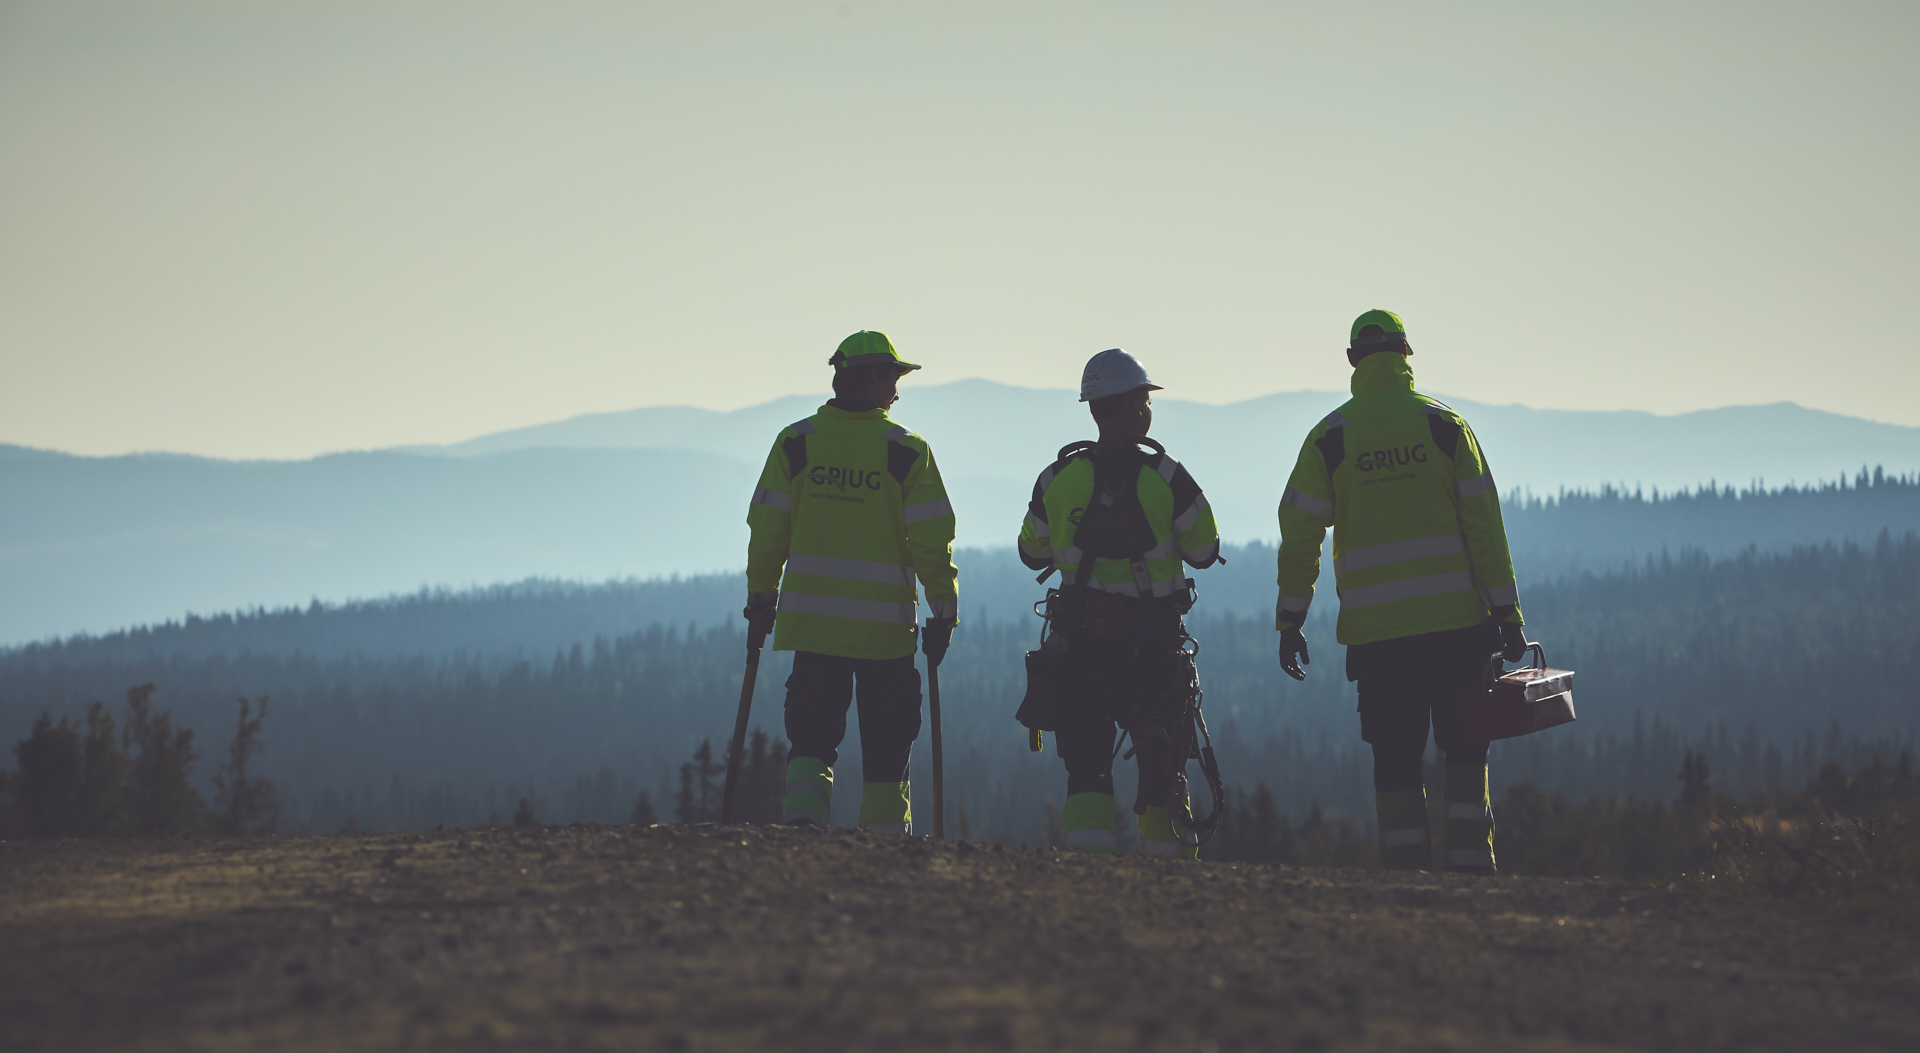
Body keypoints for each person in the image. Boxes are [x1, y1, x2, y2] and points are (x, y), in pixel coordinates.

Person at [1274, 310, 1530, 873]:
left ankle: (1404, 881)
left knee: (1394, 761)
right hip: (1460, 632)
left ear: (1351, 362)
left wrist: (1290, 619)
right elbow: (1485, 527)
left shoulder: (1330, 438)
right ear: (1406, 355)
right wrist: (1508, 614)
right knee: (1465, 753)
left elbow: (1299, 533)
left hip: (1379, 642)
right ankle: (1470, 874)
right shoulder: (1446, 428)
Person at [744, 331, 959, 834]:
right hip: (885, 635)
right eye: (893, 377)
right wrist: (944, 610)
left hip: (813, 629)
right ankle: (885, 844)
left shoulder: (796, 442)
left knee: (811, 740)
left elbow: (767, 528)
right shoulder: (907, 450)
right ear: (868, 376)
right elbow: (932, 541)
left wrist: (760, 597)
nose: (897, 391)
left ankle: (802, 828)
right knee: (889, 743)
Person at [1017, 349, 1223, 857]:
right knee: (1162, 764)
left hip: (1080, 648)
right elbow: (1204, 551)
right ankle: (1171, 886)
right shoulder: (1169, 477)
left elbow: (1030, 551)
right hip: (1152, 652)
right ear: (1135, 404)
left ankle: (1087, 879)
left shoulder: (1056, 478)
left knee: (1086, 768)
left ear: (1093, 409)